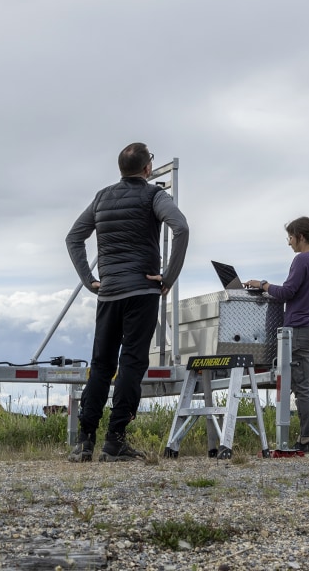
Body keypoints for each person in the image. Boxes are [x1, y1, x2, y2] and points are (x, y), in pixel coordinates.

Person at [65, 142, 189, 463]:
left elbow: (74, 237)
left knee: (102, 366)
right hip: (142, 292)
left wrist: (88, 279)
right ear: (147, 169)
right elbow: (181, 227)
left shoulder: (102, 197)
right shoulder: (154, 196)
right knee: (132, 363)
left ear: (121, 169)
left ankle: (84, 442)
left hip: (108, 294)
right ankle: (115, 441)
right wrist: (168, 277)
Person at [246, 216, 309, 453]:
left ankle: (307, 439)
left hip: (301, 331)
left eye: (290, 237)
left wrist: (262, 284)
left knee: (303, 387)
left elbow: (286, 292)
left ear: (301, 237)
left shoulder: (302, 260)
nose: (289, 243)